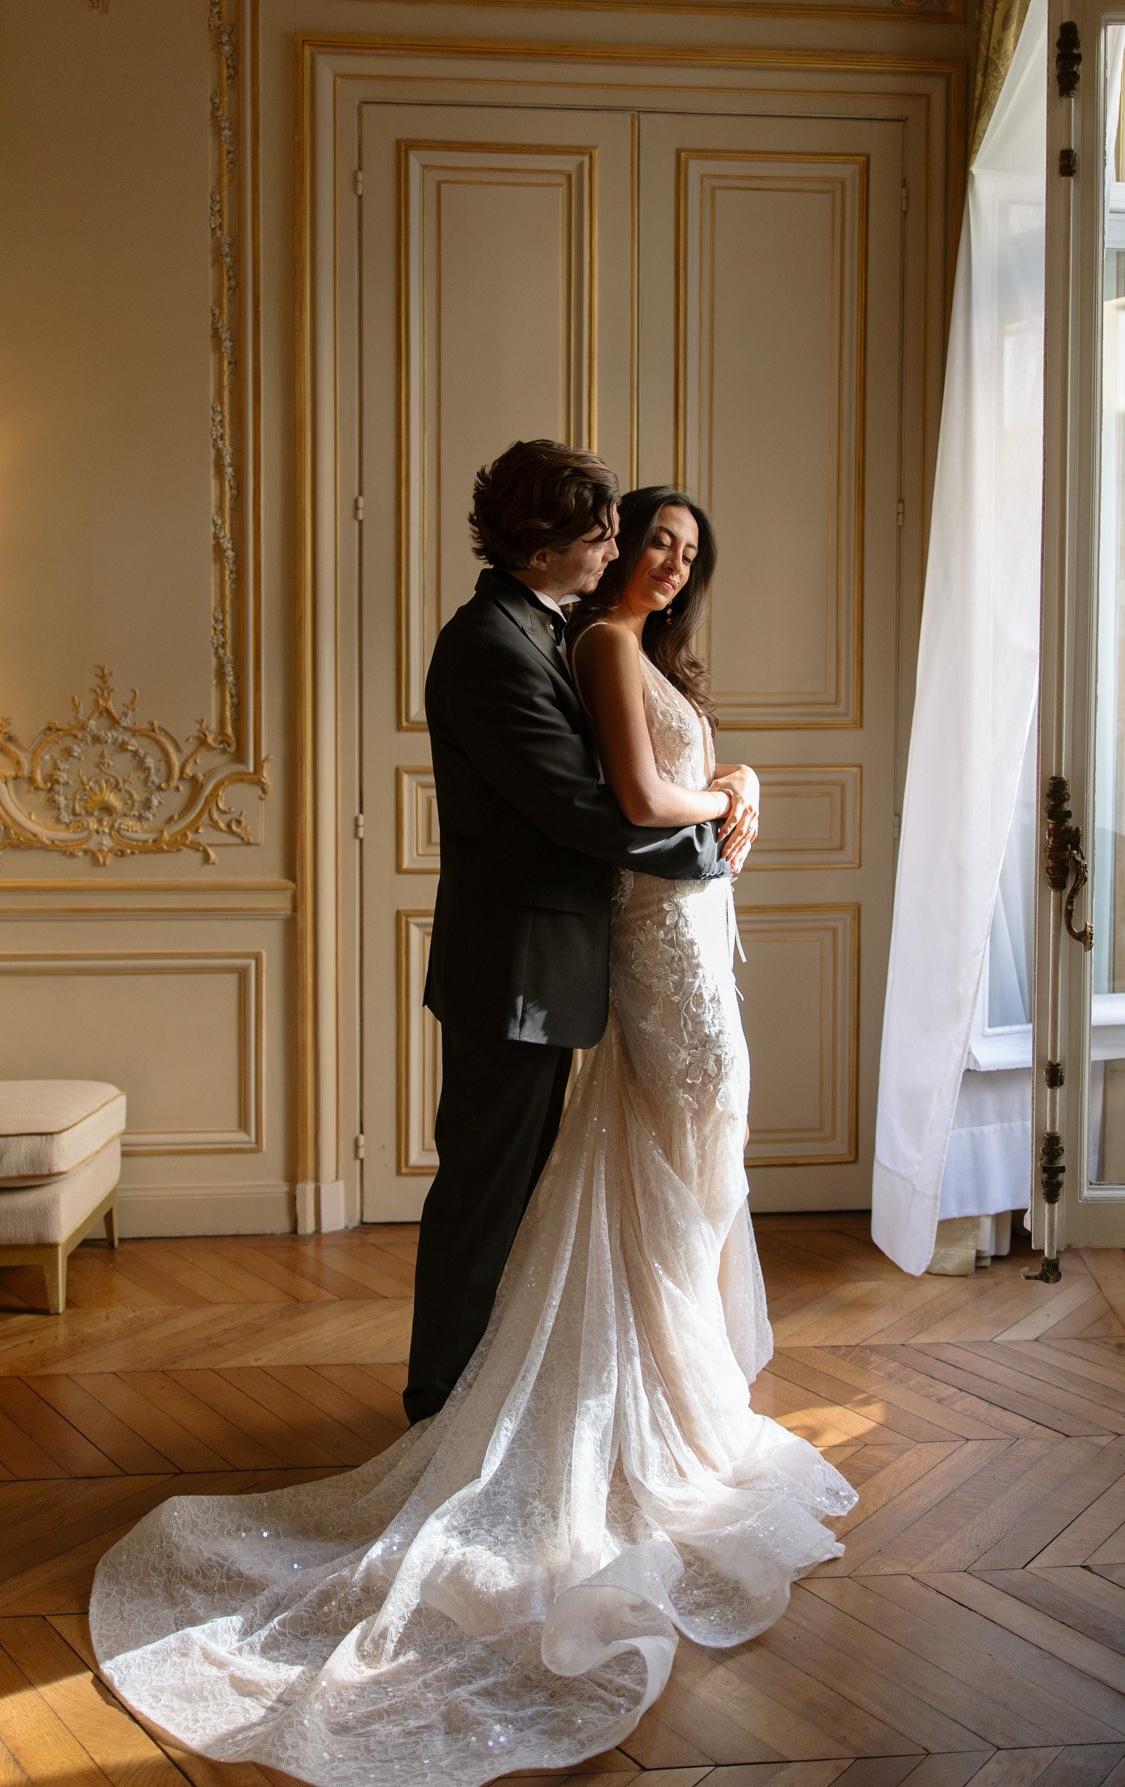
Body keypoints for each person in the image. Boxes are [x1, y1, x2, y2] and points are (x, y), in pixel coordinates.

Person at [90, 480, 856, 1787]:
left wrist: (739, 775)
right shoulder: (548, 644)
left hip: (645, 946)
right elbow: (606, 802)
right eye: (636, 538)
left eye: (679, 549)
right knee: (556, 1185)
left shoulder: (580, 638)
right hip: (603, 948)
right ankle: (452, 1418)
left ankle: (653, 1395)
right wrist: (719, 806)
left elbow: (637, 787)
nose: (656, 562)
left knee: (643, 1177)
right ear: (568, 542)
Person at [407, 439, 733, 1424]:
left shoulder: (535, 629)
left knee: (517, 1194)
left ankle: (487, 1391)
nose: (611, 549)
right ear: (543, 541)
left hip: (546, 965)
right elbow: (581, 809)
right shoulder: (488, 647)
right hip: (514, 970)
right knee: (484, 1195)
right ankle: (439, 1410)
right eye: (598, 534)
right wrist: (712, 841)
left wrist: (729, 789)